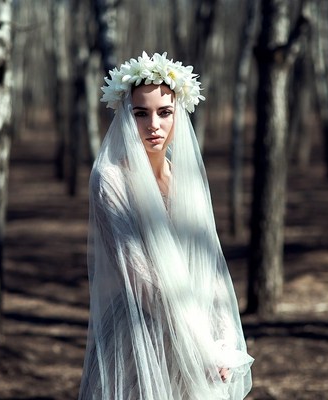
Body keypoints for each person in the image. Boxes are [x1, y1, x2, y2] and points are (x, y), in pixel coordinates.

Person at [78, 52, 253, 400]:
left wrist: (222, 342)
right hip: (139, 339)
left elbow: (211, 266)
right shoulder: (110, 179)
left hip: (199, 331)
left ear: (179, 114)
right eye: (140, 113)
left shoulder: (184, 177)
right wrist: (197, 344)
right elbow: (141, 277)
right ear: (125, 115)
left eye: (164, 112)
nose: (153, 125)